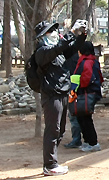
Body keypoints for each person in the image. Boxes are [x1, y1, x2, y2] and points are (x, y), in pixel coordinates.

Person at [35, 18, 88, 176]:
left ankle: (53, 161)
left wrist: (82, 35)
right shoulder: (42, 51)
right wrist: (71, 32)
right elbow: (59, 47)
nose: (54, 33)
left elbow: (72, 49)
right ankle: (49, 164)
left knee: (60, 129)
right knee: (53, 129)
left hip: (62, 92)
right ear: (43, 36)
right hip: (51, 95)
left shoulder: (56, 51)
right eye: (51, 31)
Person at [73, 40, 103, 152]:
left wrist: (76, 85)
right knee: (82, 117)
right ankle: (87, 141)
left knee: (85, 118)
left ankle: (93, 142)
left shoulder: (86, 62)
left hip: (86, 92)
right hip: (90, 92)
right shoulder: (92, 61)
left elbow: (86, 79)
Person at [62, 52, 82, 149]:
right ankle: (80, 138)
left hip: (73, 89)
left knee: (73, 115)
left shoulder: (68, 55)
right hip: (77, 88)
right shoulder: (77, 55)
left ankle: (77, 139)